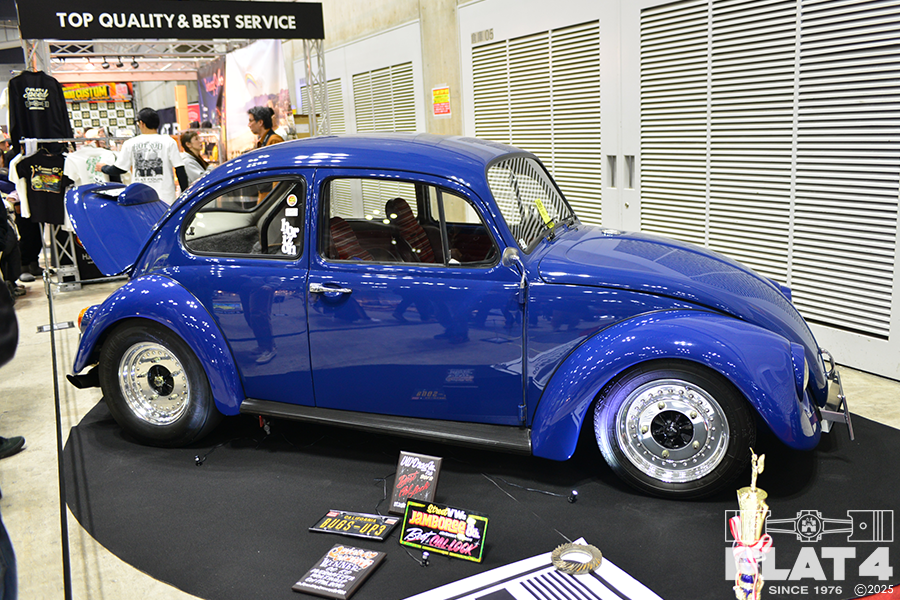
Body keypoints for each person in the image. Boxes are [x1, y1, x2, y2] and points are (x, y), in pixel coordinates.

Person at [96, 108, 188, 204]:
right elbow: (180, 170)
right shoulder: (169, 142)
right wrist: (185, 195)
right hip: (165, 197)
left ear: (141, 123)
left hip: (139, 197)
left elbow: (119, 169)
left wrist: (103, 167)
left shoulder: (130, 143)